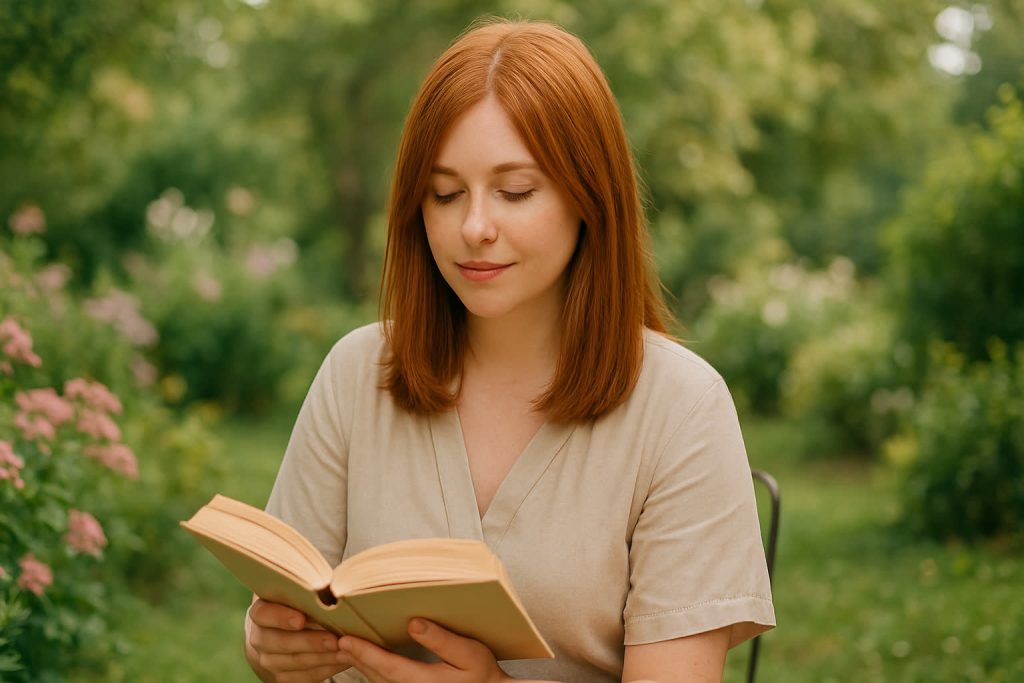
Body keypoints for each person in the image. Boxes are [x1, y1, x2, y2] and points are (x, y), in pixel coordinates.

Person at [244, 17, 775, 683]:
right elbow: (284, 606)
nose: (473, 227)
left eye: (515, 191)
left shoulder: (682, 408)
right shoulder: (357, 373)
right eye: (444, 193)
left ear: (591, 195)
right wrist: (270, 644)